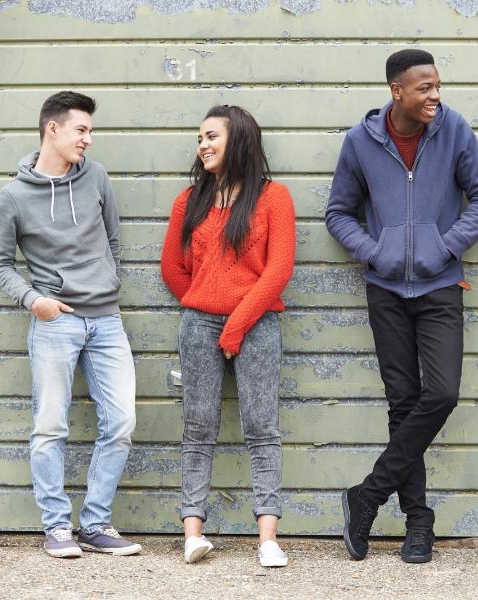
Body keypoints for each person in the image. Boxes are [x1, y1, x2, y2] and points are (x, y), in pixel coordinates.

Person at [325, 49, 478, 564]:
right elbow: (338, 213)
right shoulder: (361, 142)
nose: (435, 96)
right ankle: (418, 523)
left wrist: (445, 246)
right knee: (403, 404)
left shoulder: (453, 130)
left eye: (438, 85)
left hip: (439, 285)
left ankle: (368, 494)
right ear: (396, 91)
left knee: (441, 393)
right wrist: (375, 250)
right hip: (385, 290)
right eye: (424, 87)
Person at [0, 91, 140, 558]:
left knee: (122, 421)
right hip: (55, 324)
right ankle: (57, 526)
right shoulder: (13, 197)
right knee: (50, 426)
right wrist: (36, 301)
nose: (89, 140)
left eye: (90, 131)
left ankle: (95, 524)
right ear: (52, 130)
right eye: (82, 129)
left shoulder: (95, 178)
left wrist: (106, 282)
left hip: (107, 321)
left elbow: (112, 238)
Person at [160, 105, 296, 567]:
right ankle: (192, 534)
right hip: (199, 326)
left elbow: (278, 269)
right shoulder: (188, 201)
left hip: (257, 324)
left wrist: (236, 323)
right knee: (198, 428)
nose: (202, 145)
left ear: (238, 140)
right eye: (199, 138)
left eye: (211, 136)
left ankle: (268, 539)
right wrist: (201, 304)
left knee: (261, 427)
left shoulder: (273, 198)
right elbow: (172, 269)